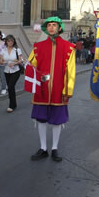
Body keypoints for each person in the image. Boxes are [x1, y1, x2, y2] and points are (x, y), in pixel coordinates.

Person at [28, 17, 76, 162]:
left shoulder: (69, 47)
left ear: (59, 28)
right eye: (49, 25)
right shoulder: (38, 46)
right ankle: (43, 148)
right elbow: (31, 65)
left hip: (58, 90)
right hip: (42, 90)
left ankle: (54, 148)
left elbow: (71, 71)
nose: (51, 27)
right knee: (41, 120)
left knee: (57, 120)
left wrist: (67, 90)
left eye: (54, 25)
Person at [0, 35, 23, 113]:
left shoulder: (17, 50)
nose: (10, 43)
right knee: (10, 88)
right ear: (6, 42)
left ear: (14, 42)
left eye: (12, 41)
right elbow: (1, 61)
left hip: (16, 71)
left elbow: (21, 60)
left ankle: (11, 105)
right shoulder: (3, 50)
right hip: (7, 71)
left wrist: (15, 63)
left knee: (10, 86)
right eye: (9, 41)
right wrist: (4, 62)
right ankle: (14, 104)